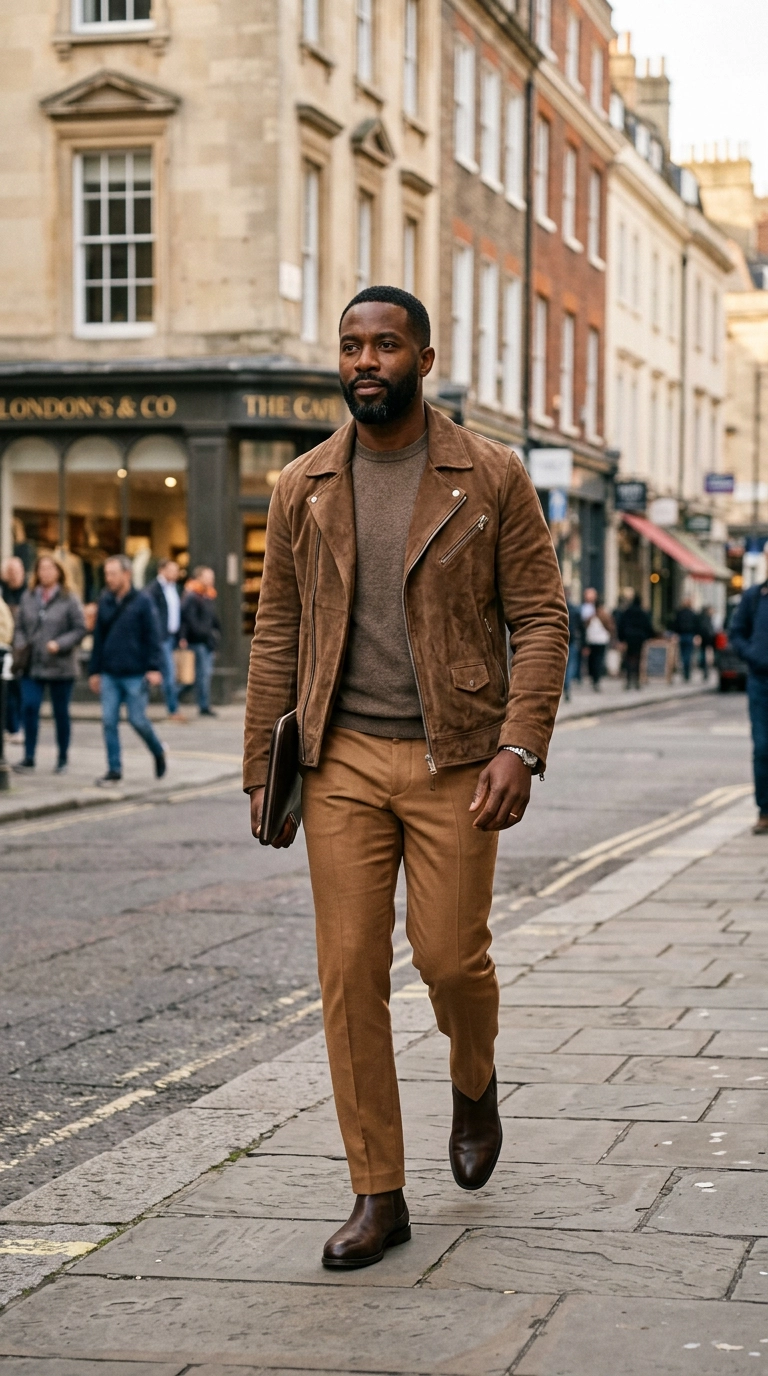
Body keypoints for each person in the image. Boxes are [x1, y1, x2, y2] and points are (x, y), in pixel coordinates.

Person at [244, 286, 568, 1268]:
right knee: (347, 972)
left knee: (448, 957)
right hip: (339, 757)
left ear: (425, 359)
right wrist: (267, 763)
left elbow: (542, 617)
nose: (365, 360)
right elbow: (277, 630)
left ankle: (474, 1077)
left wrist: (521, 744)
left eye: (386, 344)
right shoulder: (302, 484)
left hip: (457, 759)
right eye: (351, 345)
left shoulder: (492, 473)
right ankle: (377, 1190)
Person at [88, 554, 167, 786]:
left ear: (127, 574)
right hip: (110, 673)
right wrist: (94, 671)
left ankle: (157, 750)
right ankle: (114, 769)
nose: (108, 578)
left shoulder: (143, 601)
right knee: (109, 721)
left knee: (137, 720)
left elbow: (154, 637)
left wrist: (154, 668)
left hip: (135, 673)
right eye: (106, 574)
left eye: (113, 574)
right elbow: (98, 639)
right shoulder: (105, 600)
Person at [11, 553, 86, 775]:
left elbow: (80, 629)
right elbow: (19, 626)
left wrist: (60, 644)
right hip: (32, 664)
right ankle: (29, 757)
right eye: (41, 569)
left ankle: (62, 757)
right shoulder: (29, 596)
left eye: (50, 569)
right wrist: (22, 643)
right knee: (30, 707)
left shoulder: (69, 598)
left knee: (60, 713)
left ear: (59, 572)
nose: (45, 573)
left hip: (60, 666)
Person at [729, 580, 768, 834]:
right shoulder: (754, 596)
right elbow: (736, 632)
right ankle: (765, 811)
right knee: (763, 746)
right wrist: (753, 655)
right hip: (761, 682)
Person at [146, 558, 185, 720]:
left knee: (168, 674)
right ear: (161, 570)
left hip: (171, 637)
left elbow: (177, 614)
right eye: (172, 570)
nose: (176, 574)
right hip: (160, 638)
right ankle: (173, 710)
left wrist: (180, 636)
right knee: (168, 674)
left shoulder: (174, 588)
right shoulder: (153, 590)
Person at [181, 566, 221, 717]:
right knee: (201, 675)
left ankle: (201, 703)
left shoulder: (208, 595)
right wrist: (202, 633)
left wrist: (215, 633)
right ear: (199, 577)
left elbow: (212, 618)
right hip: (198, 641)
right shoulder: (192, 596)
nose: (211, 580)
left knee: (203, 674)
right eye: (208, 576)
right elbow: (188, 619)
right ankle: (203, 705)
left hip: (207, 641)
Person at [1, 556, 27, 742]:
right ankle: (11, 726)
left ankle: (17, 727)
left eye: (17, 572)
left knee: (20, 691)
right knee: (7, 690)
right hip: (5, 647)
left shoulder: (28, 592)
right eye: (10, 572)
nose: (14, 576)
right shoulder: (3, 591)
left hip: (23, 648)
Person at [616, 593, 654, 690]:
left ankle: (628, 680)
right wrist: (648, 636)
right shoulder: (643, 613)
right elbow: (648, 626)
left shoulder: (627, 612)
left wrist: (621, 638)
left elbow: (621, 625)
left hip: (629, 638)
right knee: (638, 659)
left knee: (629, 659)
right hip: (639, 638)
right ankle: (636, 680)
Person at [584, 596, 613, 689]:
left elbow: (585, 626)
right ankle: (596, 678)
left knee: (593, 660)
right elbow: (610, 627)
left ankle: (594, 678)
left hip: (593, 640)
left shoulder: (592, 615)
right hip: (601, 640)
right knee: (598, 660)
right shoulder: (604, 615)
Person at [672, 597, 700, 681]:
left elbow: (675, 624)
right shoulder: (692, 613)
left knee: (683, 654)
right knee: (688, 654)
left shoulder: (679, 613)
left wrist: (676, 634)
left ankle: (685, 671)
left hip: (682, 635)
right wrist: (696, 635)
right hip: (689, 635)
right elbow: (696, 625)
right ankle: (687, 671)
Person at [563, 589, 583, 701]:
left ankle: (566, 685)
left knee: (569, 666)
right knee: (570, 666)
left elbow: (581, 627)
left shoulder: (574, 610)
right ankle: (566, 685)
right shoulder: (575, 609)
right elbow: (581, 627)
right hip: (570, 641)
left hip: (569, 641)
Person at [698, 605, 715, 681]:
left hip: (704, 640)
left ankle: (705, 669)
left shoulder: (703, 618)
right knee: (705, 656)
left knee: (704, 655)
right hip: (706, 640)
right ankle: (704, 669)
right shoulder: (707, 618)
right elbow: (708, 630)